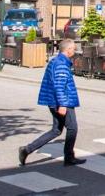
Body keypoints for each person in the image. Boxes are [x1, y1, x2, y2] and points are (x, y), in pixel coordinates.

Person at [19, 39, 85, 167]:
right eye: (73, 48)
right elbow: (59, 86)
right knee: (72, 128)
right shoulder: (61, 64)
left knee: (56, 130)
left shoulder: (55, 61)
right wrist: (63, 104)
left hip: (53, 101)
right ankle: (69, 157)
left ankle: (26, 150)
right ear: (68, 50)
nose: (74, 51)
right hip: (62, 102)